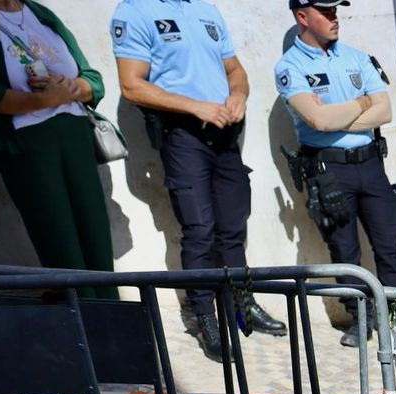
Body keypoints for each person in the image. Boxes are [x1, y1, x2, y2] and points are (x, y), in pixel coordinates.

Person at [112, 0, 286, 357]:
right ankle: (205, 318)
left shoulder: (205, 9)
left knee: (233, 228)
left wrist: (238, 95)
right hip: (183, 135)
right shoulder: (134, 11)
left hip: (224, 134)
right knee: (199, 230)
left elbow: (234, 69)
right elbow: (132, 85)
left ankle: (242, 307)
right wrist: (195, 106)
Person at [276, 0, 396, 345]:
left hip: (370, 163)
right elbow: (317, 121)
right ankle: (360, 318)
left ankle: (395, 315)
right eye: (327, 11)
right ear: (303, 16)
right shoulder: (289, 66)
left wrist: (341, 115)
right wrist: (363, 103)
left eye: (337, 10)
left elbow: (385, 111)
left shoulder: (356, 56)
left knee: (388, 244)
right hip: (329, 169)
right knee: (345, 251)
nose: (336, 17)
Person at [0, 0, 115, 299]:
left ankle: (114, 322)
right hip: (28, 145)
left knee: (96, 238)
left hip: (76, 137)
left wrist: (71, 88)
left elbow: (93, 80)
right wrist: (43, 100)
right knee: (60, 243)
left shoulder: (41, 14)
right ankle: (79, 325)